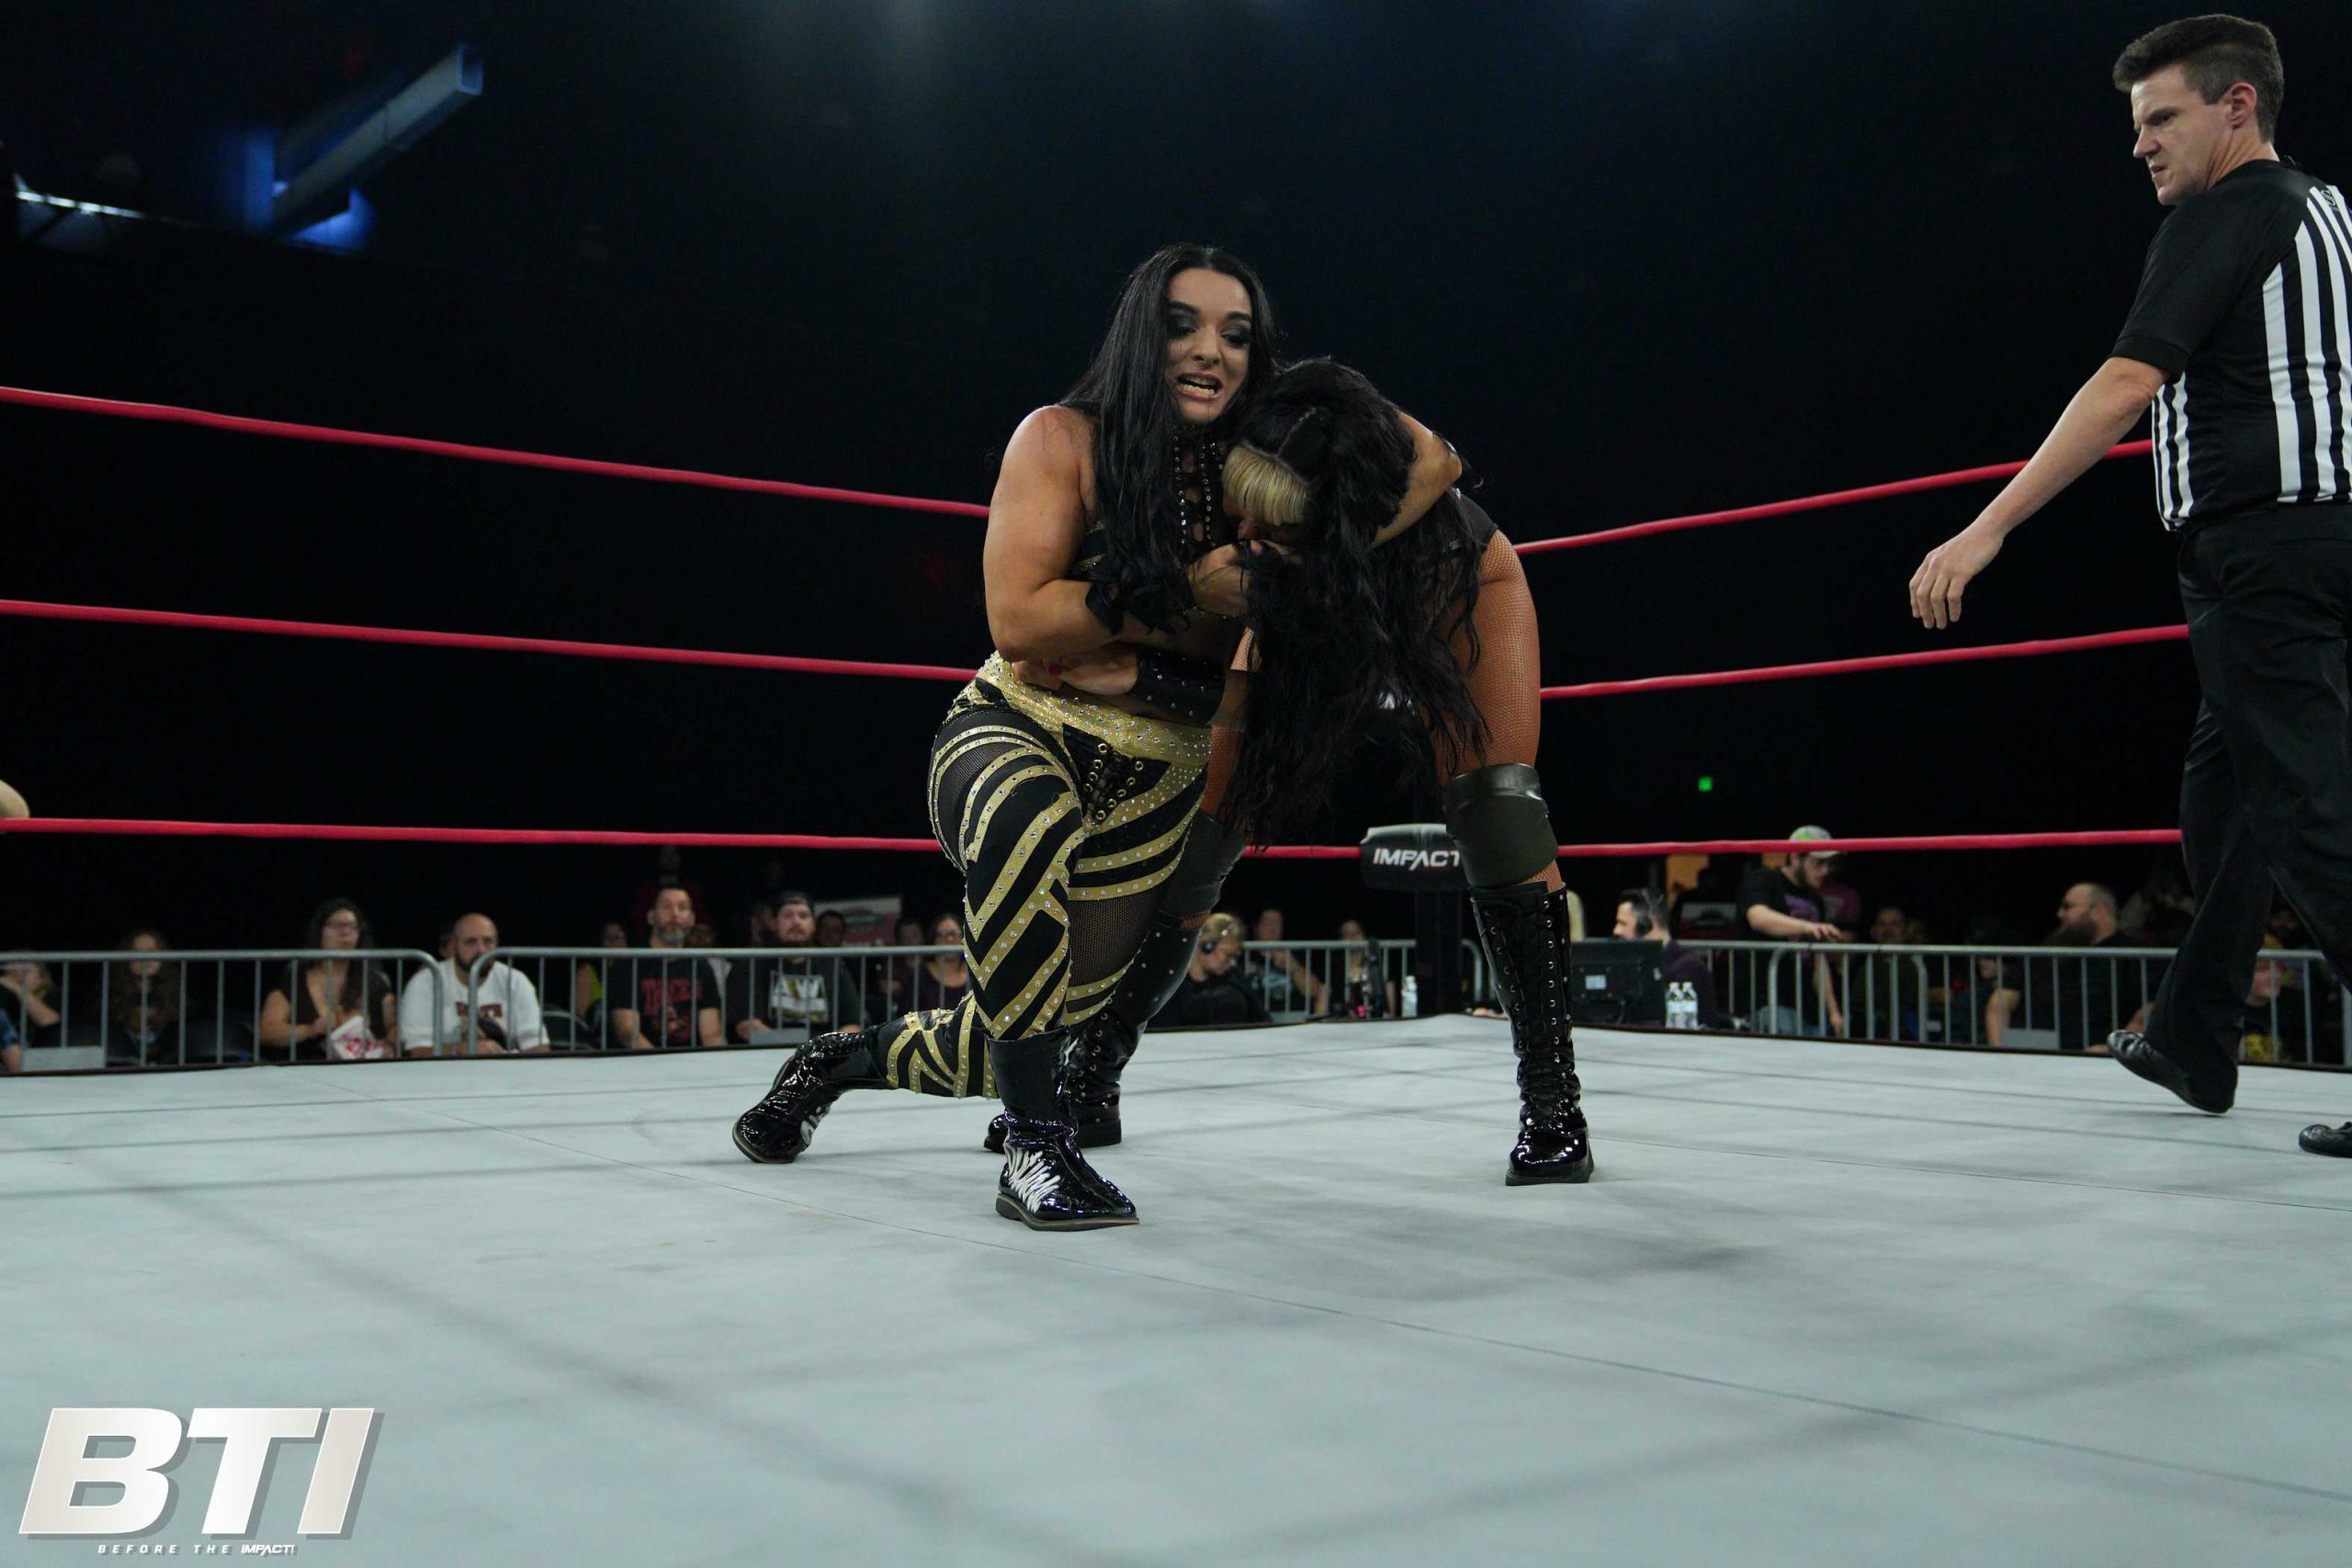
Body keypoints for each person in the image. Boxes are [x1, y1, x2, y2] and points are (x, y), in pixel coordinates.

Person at [731, 246, 1464, 1227]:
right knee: (1029, 819)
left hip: (1157, 781)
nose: (1209, 351)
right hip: (1018, 728)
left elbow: (1434, 459)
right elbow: (1020, 622)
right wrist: (1180, 596)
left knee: (998, 1039)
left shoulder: (1268, 463)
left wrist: (1319, 548)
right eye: (1182, 325)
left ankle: (832, 1061)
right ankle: (1037, 1149)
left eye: (1236, 334)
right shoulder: (1063, 439)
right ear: (1139, 334)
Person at [1906, 17, 2352, 1138]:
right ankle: (2193, 1038)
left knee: (2304, 808)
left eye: (2161, 118)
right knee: (2226, 801)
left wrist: (1986, 528)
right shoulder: (2327, 209)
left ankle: (2196, 1035)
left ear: (2236, 105)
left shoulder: (2225, 212)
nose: (2140, 144)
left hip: (2261, 550)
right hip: (2314, 540)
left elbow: (2124, 382)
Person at [1013, 357, 1596, 1185]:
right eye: (1241, 512)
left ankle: (1554, 1106)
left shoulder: (1375, 485)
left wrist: (1336, 546)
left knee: (1499, 812)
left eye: (1274, 523)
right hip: (1315, 607)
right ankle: (1093, 1074)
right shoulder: (1259, 451)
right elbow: (1247, 698)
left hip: (1455, 587)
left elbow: (1441, 457)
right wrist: (1134, 673)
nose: (1247, 534)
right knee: (1204, 832)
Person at [1735, 829, 1849, 1037]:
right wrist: (1808, 927)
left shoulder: (1815, 901)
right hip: (1768, 998)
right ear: (1796, 857)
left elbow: (1819, 961)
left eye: (1830, 864)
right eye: (1818, 863)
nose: (1825, 871)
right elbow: (1758, 917)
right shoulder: (1765, 879)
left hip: (1807, 1005)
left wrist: (1833, 1011)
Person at [257, 898, 399, 1061]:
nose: (345, 932)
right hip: (309, 1067)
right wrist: (310, 1030)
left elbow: (395, 1028)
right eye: (337, 926)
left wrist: (388, 1044)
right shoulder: (295, 981)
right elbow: (267, 1031)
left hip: (363, 1070)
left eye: (352, 926)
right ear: (319, 931)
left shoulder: (375, 982)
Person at [726, 890, 867, 1042]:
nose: (796, 922)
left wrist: (826, 1048)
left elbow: (853, 1024)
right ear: (774, 923)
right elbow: (747, 1026)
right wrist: (792, 1049)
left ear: (813, 925)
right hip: (768, 1050)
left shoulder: (832, 965)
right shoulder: (752, 963)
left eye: (803, 916)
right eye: (788, 916)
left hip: (824, 1052)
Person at [400, 911, 547, 1055]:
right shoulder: (426, 982)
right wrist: (462, 1050)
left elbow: (537, 1045)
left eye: (488, 941)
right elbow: (417, 1051)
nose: (481, 950)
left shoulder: (515, 981)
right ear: (454, 946)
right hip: (446, 1070)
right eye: (471, 942)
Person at [607, 886, 725, 1050]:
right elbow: (628, 1032)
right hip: (642, 1061)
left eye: (682, 907)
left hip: (692, 1061)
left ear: (692, 919)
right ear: (651, 916)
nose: (675, 913)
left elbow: (711, 1034)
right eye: (666, 906)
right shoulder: (628, 963)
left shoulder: (701, 967)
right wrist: (660, 1063)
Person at [1611, 886, 1719, 1027]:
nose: (1616, 930)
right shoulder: (1639, 968)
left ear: (1645, 925)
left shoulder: (1686, 968)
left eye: (1623, 923)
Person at [1161, 913, 1267, 1026]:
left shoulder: (1234, 976)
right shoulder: (1174, 980)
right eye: (1228, 955)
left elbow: (1262, 1017)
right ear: (1207, 946)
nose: (1233, 963)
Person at [1243, 907, 1327, 1017]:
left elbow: (1314, 991)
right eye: (1267, 922)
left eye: (1277, 923)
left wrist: (1295, 968)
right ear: (1256, 927)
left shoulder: (1295, 954)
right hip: (1255, 1020)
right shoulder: (1245, 955)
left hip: (1292, 1018)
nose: (1272, 928)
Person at [1336, 917, 1396, 1019]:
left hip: (1373, 1021)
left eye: (1356, 932)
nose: (1353, 937)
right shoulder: (1336, 971)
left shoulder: (1377, 968)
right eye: (1348, 933)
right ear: (1341, 939)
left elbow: (1390, 1007)